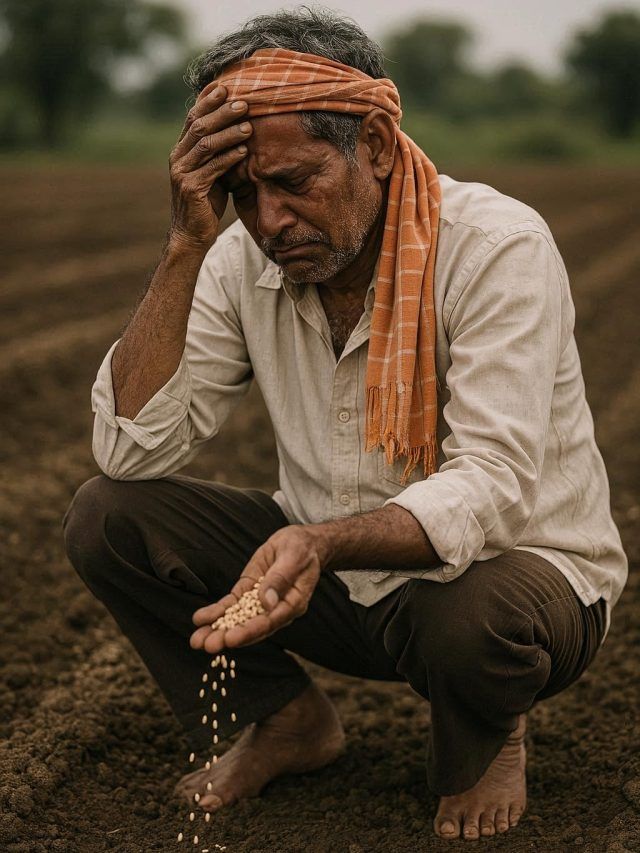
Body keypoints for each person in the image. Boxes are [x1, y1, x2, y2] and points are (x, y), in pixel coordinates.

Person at [62, 8, 627, 842]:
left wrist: (322, 543)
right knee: (107, 516)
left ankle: (487, 734)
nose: (270, 219)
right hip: (334, 585)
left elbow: (494, 488)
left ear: (377, 144)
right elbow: (128, 448)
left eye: (294, 181)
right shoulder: (238, 258)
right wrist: (185, 245)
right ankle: (285, 719)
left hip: (505, 586)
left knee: (470, 611)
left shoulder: (494, 246)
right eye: (242, 193)